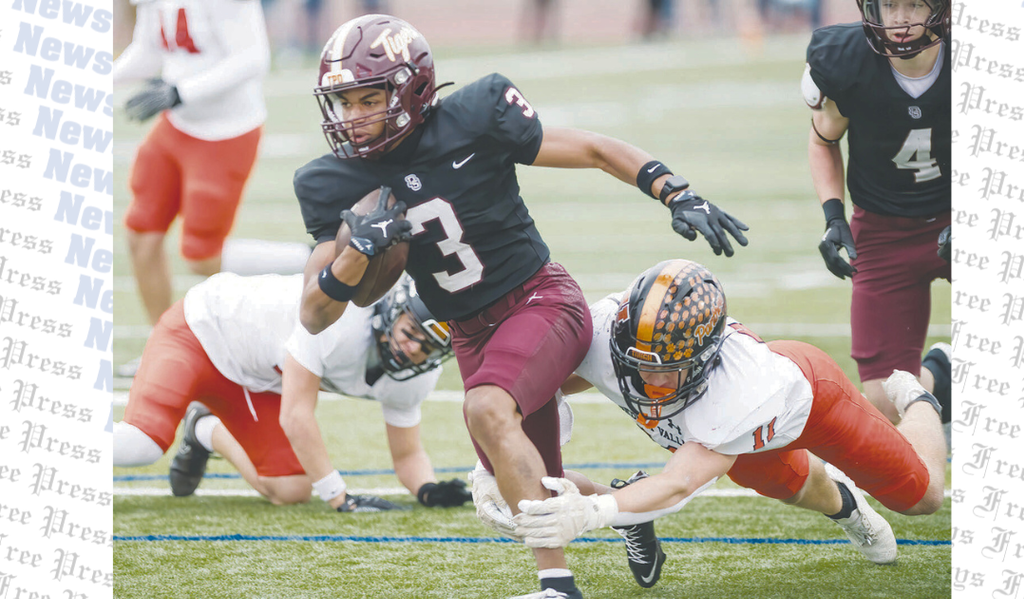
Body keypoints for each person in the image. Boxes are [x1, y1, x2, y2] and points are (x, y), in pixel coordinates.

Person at [293, 14, 749, 599]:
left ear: (411, 89)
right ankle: (628, 512)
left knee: (486, 408)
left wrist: (674, 190)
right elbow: (314, 312)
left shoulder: (475, 114)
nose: (353, 117)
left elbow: (590, 148)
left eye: (368, 98)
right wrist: (359, 248)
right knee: (530, 486)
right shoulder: (331, 181)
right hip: (467, 334)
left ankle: (557, 586)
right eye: (344, 102)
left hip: (540, 300)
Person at [496, 260, 947, 583]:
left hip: (810, 398)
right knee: (799, 489)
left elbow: (678, 484)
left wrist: (593, 511)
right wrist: (492, 465)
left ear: (704, 358)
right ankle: (847, 509)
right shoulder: (599, 330)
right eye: (636, 362)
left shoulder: (738, 389)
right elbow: (543, 380)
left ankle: (926, 393)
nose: (646, 378)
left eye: (662, 369)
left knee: (922, 498)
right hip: (726, 434)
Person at [113, 273, 471, 512]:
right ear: (394, 311)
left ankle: (203, 428)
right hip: (202, 331)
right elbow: (296, 414)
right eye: (410, 333)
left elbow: (407, 455)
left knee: (291, 489)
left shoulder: (416, 377)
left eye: (428, 348)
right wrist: (339, 497)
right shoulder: (340, 321)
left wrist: (427, 489)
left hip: (258, 377)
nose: (412, 351)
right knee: (141, 445)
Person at [115, 0, 312, 353]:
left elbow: (253, 58)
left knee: (201, 256)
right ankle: (165, 348)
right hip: (177, 125)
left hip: (226, 132)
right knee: (140, 234)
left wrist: (181, 91)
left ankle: (312, 258)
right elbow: (149, 49)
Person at [803, 0, 952, 424]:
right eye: (889, 4)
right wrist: (834, 217)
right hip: (885, 229)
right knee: (886, 400)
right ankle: (944, 374)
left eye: (913, 4)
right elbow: (823, 141)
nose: (900, 18)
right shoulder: (847, 60)